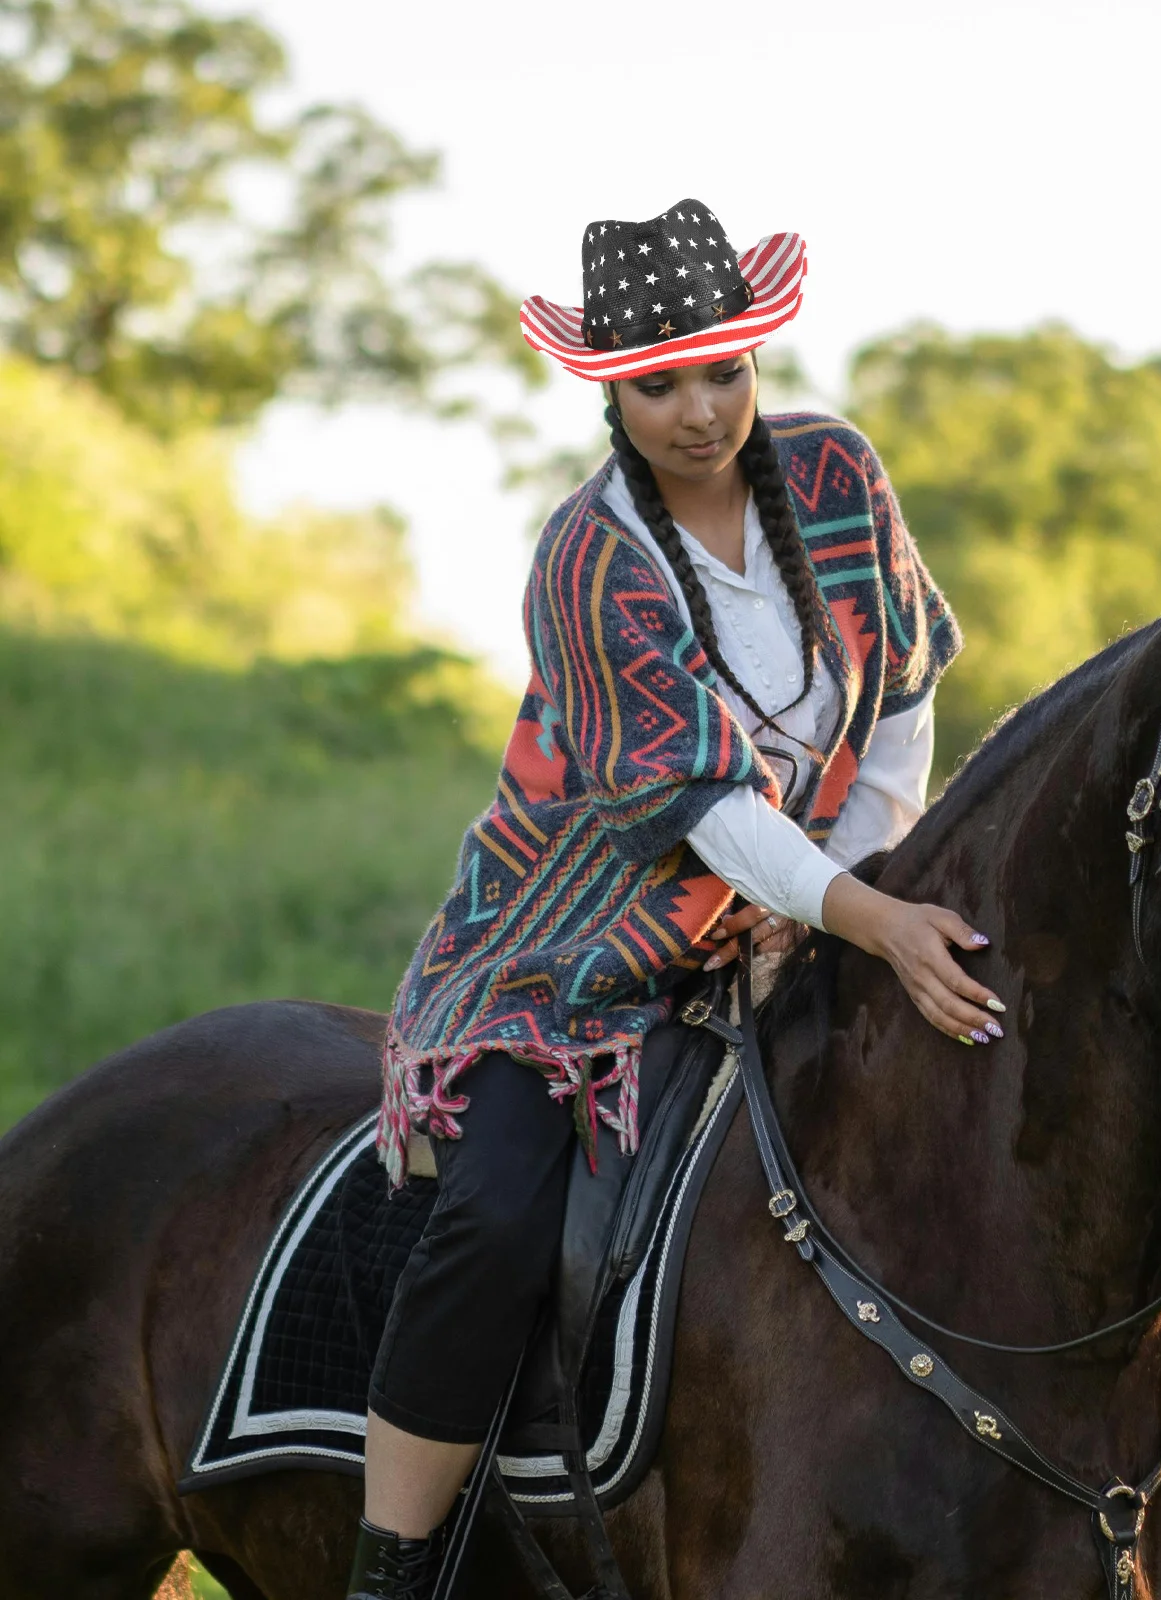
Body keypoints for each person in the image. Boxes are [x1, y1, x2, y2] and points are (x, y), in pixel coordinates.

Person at [347, 198, 1007, 1598]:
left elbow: (899, 697)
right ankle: (393, 1564)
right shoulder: (587, 559)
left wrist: (855, 881)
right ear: (609, 391)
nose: (702, 411)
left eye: (727, 371)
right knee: (496, 1214)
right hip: (573, 942)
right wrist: (868, 918)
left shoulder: (834, 474)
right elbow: (696, 807)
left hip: (808, 896)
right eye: (660, 384)